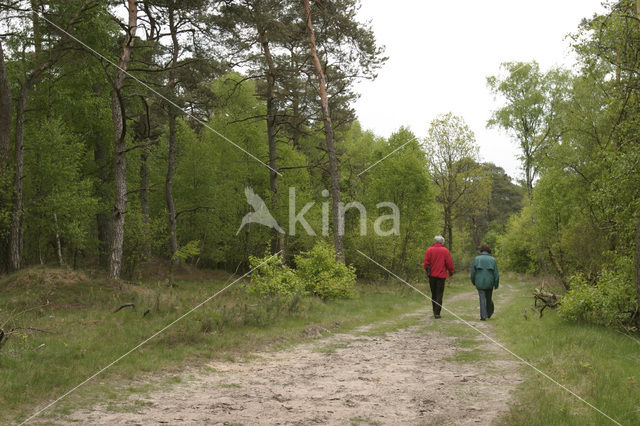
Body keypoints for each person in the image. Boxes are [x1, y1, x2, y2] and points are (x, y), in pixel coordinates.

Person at [424, 235, 454, 319]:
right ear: (442, 242)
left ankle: (434, 310)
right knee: (439, 294)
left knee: (433, 294)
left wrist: (427, 272)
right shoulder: (445, 251)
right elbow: (449, 263)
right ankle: (437, 313)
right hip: (441, 276)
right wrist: (451, 273)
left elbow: (426, 264)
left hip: (432, 276)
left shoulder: (429, 250)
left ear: (434, 241)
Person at [470, 244, 499, 321]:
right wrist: (496, 284)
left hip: (479, 282)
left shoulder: (477, 259)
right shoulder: (492, 259)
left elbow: (473, 272)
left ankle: (483, 316)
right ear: (489, 250)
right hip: (490, 282)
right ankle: (489, 314)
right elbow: (496, 273)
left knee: (482, 299)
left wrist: (473, 281)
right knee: (489, 299)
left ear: (481, 250)